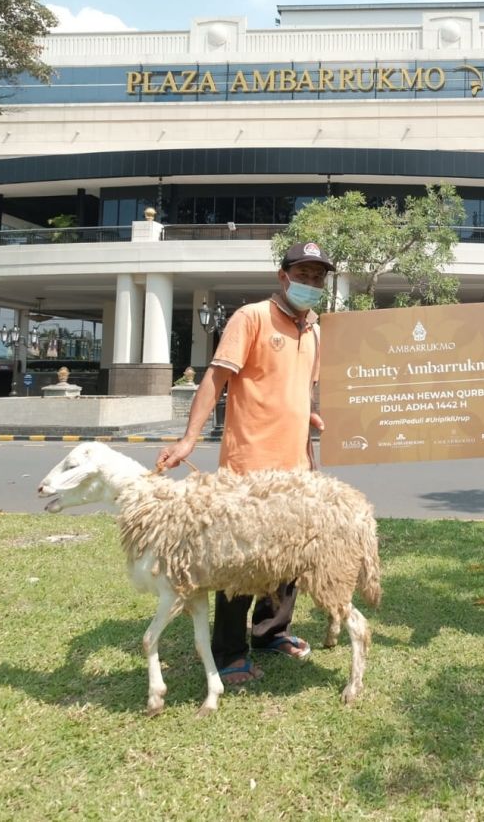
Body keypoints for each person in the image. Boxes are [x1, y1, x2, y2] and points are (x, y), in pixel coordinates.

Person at [156, 240, 335, 687]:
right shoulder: (251, 317)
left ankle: (271, 631)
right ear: (283, 276)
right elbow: (216, 378)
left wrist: (310, 417)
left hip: (295, 466)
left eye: (318, 276)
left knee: (289, 554)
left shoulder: (315, 329)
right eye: (303, 273)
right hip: (249, 464)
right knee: (240, 561)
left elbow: (298, 389)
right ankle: (230, 650)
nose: (311, 283)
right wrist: (189, 438)